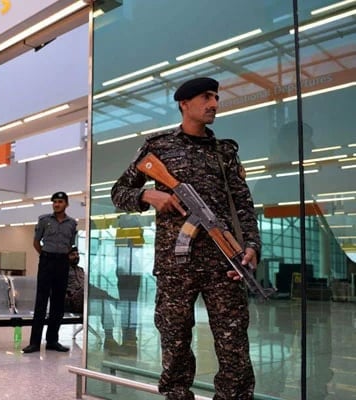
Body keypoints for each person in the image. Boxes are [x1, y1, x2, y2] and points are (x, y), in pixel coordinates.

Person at [110, 77, 261, 400]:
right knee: (175, 347)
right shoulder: (159, 147)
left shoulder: (225, 152)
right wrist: (148, 195)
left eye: (216, 98)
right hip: (175, 265)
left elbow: (243, 203)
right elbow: (118, 192)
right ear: (184, 104)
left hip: (225, 264)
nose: (214, 104)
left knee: (234, 351)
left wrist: (251, 246)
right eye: (207, 97)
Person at [22, 191, 77, 354]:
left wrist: (62, 257)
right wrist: (46, 256)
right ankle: (34, 343)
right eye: (54, 202)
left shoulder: (72, 224)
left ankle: (52, 341)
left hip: (62, 263)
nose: (56, 204)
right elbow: (36, 242)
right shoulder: (44, 220)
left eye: (60, 202)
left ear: (66, 204)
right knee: (41, 302)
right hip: (46, 261)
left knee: (58, 304)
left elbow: (70, 245)